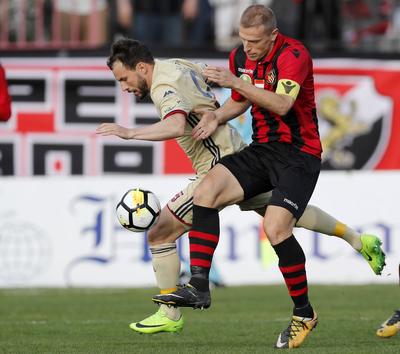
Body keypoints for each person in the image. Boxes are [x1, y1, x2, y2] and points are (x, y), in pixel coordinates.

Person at [96, 38, 386, 339]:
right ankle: (357, 239)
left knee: (160, 233)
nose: (124, 87)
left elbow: (173, 125)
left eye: (124, 78)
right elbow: (210, 80)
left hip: (217, 166)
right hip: (237, 153)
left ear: (141, 67)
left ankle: (172, 312)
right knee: (283, 215)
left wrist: (128, 133)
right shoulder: (178, 65)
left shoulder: (161, 86)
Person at [151, 5, 359, 349]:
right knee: (206, 190)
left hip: (299, 154)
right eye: (243, 40)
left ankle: (303, 313)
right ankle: (200, 285)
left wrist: (234, 82)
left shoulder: (294, 54)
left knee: (276, 228)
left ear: (273, 36)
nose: (248, 48)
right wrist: (216, 118)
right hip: (262, 149)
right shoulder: (240, 57)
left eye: (255, 42)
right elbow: (239, 102)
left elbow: (281, 105)